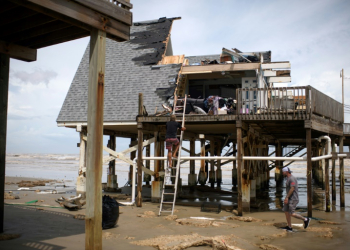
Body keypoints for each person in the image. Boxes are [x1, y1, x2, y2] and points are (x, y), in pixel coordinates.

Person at [282, 166, 311, 232]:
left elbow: (292, 188)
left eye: (283, 172)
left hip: (293, 198)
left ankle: (306, 219)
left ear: (286, 172)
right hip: (289, 198)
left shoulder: (292, 178)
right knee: (286, 211)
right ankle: (289, 227)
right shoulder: (288, 178)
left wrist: (287, 197)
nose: (282, 173)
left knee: (291, 213)